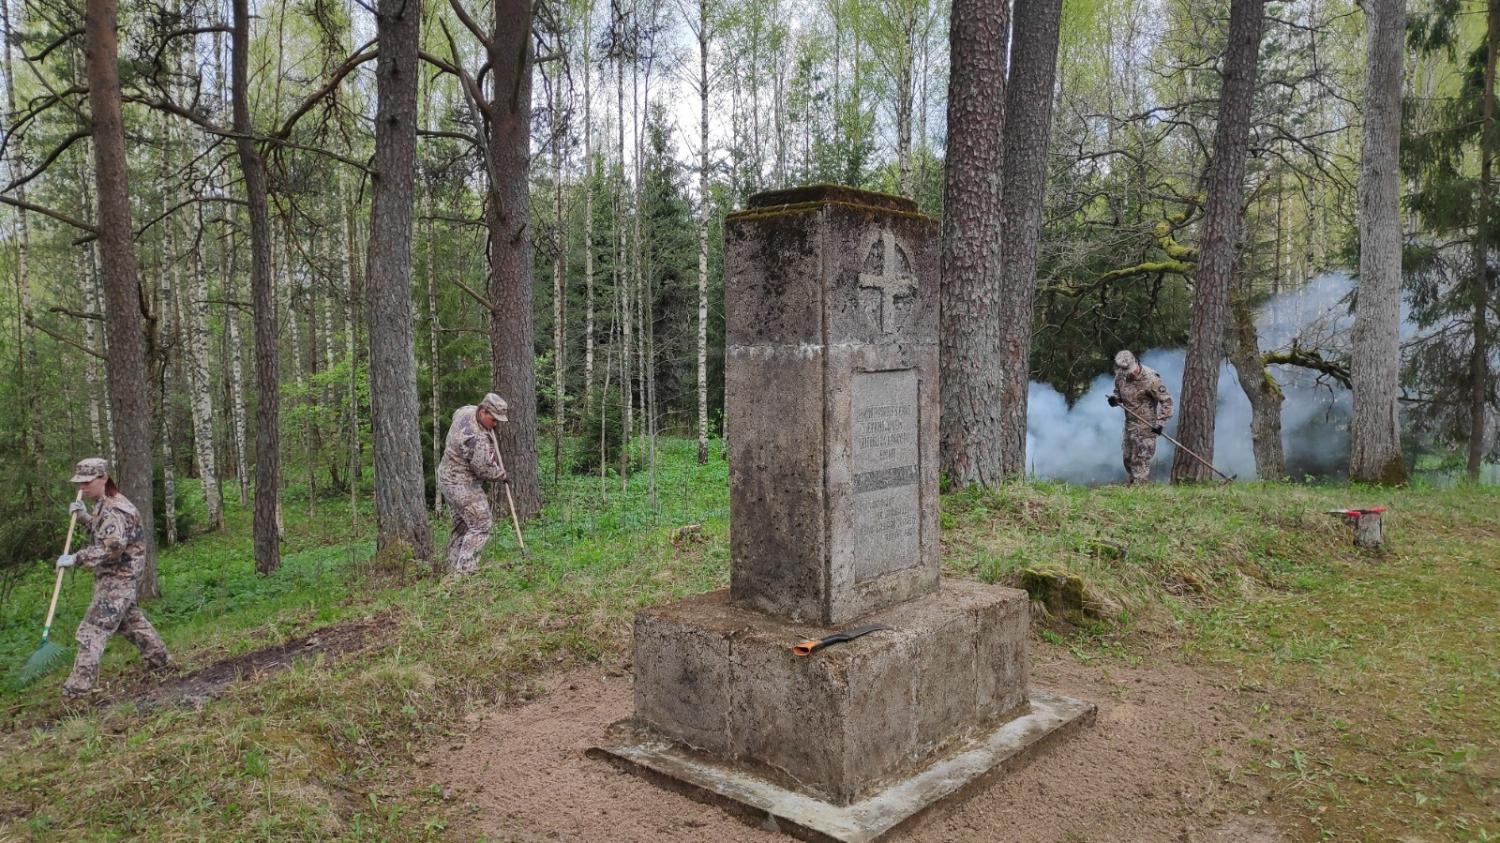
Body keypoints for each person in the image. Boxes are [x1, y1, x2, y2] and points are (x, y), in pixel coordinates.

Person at [56, 458, 170, 698]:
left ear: (103, 478)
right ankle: (162, 662)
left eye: (87, 482)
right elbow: (104, 531)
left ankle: (78, 689)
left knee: (93, 629)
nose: (82, 488)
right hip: (117, 577)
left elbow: (113, 547)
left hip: (119, 579)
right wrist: (86, 518)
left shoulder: (115, 509)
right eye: (79, 483)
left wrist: (76, 558)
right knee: (131, 622)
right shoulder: (104, 503)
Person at [438, 393, 510, 574]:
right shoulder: (476, 438)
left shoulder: (466, 411)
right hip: (460, 483)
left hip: (446, 478)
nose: (496, 424)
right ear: (483, 412)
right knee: (481, 523)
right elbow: (484, 469)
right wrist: (501, 475)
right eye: (493, 420)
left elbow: (457, 413)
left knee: (462, 526)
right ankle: (465, 573)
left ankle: (452, 569)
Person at [1106, 350, 1174, 485]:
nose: (1127, 374)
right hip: (1130, 424)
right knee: (1128, 459)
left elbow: (1167, 402)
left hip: (1147, 426)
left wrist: (1160, 423)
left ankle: (1140, 490)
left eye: (1128, 370)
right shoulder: (1120, 377)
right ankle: (1133, 486)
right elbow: (1118, 394)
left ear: (1135, 362)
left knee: (1140, 461)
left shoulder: (1151, 379)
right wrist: (1115, 400)